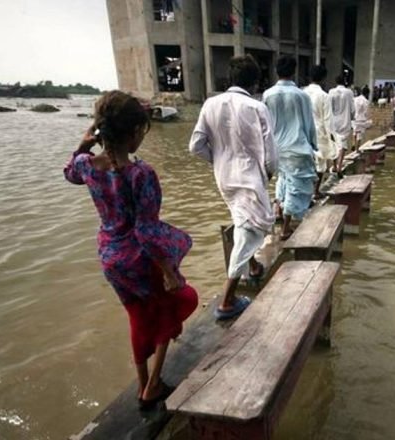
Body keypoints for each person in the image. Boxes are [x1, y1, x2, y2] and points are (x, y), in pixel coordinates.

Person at [64, 91, 198, 410]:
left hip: (110, 257)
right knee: (180, 301)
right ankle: (152, 385)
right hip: (139, 257)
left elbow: (69, 174)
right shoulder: (141, 174)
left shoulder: (86, 165)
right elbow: (147, 231)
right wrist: (169, 271)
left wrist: (84, 144)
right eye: (141, 131)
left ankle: (142, 384)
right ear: (134, 132)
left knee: (137, 316)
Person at [189, 55, 277, 320]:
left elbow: (196, 145)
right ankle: (227, 300)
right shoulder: (257, 107)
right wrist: (268, 174)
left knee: (243, 222)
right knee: (253, 226)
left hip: (224, 178)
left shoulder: (210, 104)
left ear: (230, 78)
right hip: (250, 177)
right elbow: (271, 155)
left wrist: (218, 161)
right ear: (255, 82)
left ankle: (253, 268)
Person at [264, 56, 318, 240]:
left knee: (283, 179)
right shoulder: (301, 95)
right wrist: (313, 144)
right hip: (297, 146)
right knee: (296, 186)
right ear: (293, 71)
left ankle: (278, 210)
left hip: (277, 147)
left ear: (276, 71)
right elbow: (308, 122)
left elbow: (266, 124)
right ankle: (286, 228)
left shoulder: (267, 95)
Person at [303, 64, 334, 197]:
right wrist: (331, 137)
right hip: (319, 132)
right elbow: (328, 120)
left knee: (305, 163)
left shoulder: (302, 93)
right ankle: (315, 191)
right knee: (320, 164)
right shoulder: (324, 96)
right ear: (324, 78)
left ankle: (305, 192)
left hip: (303, 132)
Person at [328, 75, 355, 171]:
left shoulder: (331, 92)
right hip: (345, 121)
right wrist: (352, 118)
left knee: (334, 144)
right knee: (343, 144)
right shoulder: (349, 92)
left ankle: (334, 166)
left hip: (333, 122)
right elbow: (352, 109)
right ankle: (339, 166)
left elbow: (329, 108)